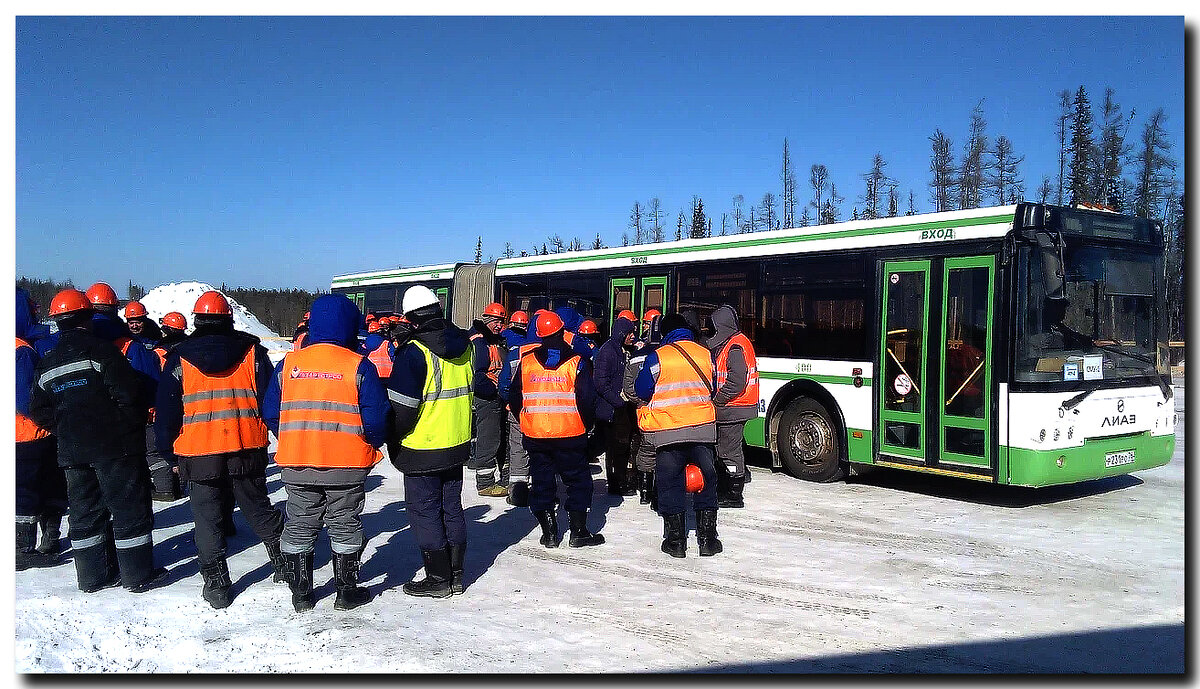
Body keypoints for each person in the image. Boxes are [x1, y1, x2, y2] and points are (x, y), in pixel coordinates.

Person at [28, 290, 166, 592]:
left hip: (72, 451)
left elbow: (37, 410)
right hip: (113, 447)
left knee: (84, 512)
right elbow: (130, 395)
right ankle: (137, 575)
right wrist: (125, 427)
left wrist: (65, 428)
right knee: (128, 509)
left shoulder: (47, 363)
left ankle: (91, 577)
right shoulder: (103, 352)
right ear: (88, 318)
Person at [155, 290, 286, 609]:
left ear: (197, 321)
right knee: (259, 509)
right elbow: (272, 402)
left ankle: (216, 585)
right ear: (230, 319)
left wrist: (170, 453)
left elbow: (167, 411)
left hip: (199, 454)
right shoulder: (252, 352)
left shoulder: (179, 356)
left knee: (207, 520)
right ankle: (286, 563)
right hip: (246, 446)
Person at [263, 294, 389, 612]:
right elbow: (376, 417)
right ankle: (346, 592)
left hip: (297, 460)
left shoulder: (288, 365)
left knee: (300, 522)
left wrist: (291, 437)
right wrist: (371, 441)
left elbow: (271, 412)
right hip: (346, 462)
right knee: (345, 522)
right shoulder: (359, 365)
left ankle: (301, 593)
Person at [387, 286, 474, 598]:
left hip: (421, 447)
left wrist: (391, 438)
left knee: (425, 512)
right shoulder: (466, 346)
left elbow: (402, 410)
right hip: (457, 442)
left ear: (411, 318)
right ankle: (457, 574)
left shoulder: (413, 352)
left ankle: (438, 578)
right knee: (451, 507)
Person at [508, 311, 604, 549]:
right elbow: (587, 399)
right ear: (563, 331)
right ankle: (578, 532)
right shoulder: (577, 361)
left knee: (542, 482)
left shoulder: (527, 361)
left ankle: (549, 532)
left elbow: (514, 397)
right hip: (571, 434)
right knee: (578, 483)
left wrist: (528, 419)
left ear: (539, 334)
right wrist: (587, 425)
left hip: (536, 435)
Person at [635, 312, 721, 558]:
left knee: (670, 484)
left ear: (665, 333)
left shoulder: (658, 357)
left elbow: (642, 389)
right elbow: (712, 386)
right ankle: (707, 541)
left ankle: (675, 542)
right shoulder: (705, 355)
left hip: (668, 431)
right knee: (706, 482)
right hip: (703, 430)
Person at [15, 288, 67, 570]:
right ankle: (27, 546)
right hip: (30, 433)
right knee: (31, 491)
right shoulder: (22, 350)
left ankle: (33, 542)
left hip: (21, 434)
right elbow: (25, 400)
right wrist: (51, 417)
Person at [707, 306, 760, 508]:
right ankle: (730, 486)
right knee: (729, 448)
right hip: (734, 407)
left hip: (733, 407)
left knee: (729, 451)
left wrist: (718, 400)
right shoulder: (733, 342)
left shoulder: (735, 346)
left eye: (713, 326)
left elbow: (736, 381)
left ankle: (733, 494)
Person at [593, 315, 639, 496]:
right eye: (629, 333)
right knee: (615, 448)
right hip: (612, 409)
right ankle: (616, 483)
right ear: (621, 334)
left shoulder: (625, 350)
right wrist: (618, 401)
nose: (633, 336)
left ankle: (622, 480)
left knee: (622, 446)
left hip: (621, 407)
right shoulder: (608, 352)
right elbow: (600, 382)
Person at [468, 302, 509, 497]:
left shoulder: (492, 339)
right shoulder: (479, 341)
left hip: (494, 396)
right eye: (496, 321)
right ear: (487, 320)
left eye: (502, 322)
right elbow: (477, 376)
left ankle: (501, 477)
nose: (500, 325)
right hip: (487, 397)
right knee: (489, 438)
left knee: (498, 437)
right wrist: (494, 391)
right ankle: (485, 483)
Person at [497, 311, 537, 507]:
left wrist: (513, 402)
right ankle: (543, 490)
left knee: (518, 451)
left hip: (519, 411)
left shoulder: (516, 352)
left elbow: (504, 384)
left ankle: (518, 494)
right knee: (543, 453)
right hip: (547, 414)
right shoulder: (557, 352)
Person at [624, 312, 661, 509]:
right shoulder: (669, 355)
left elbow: (628, 387)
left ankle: (644, 493)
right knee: (663, 454)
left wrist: (639, 402)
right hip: (666, 415)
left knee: (645, 451)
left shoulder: (637, 355)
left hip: (644, 414)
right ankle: (656, 493)